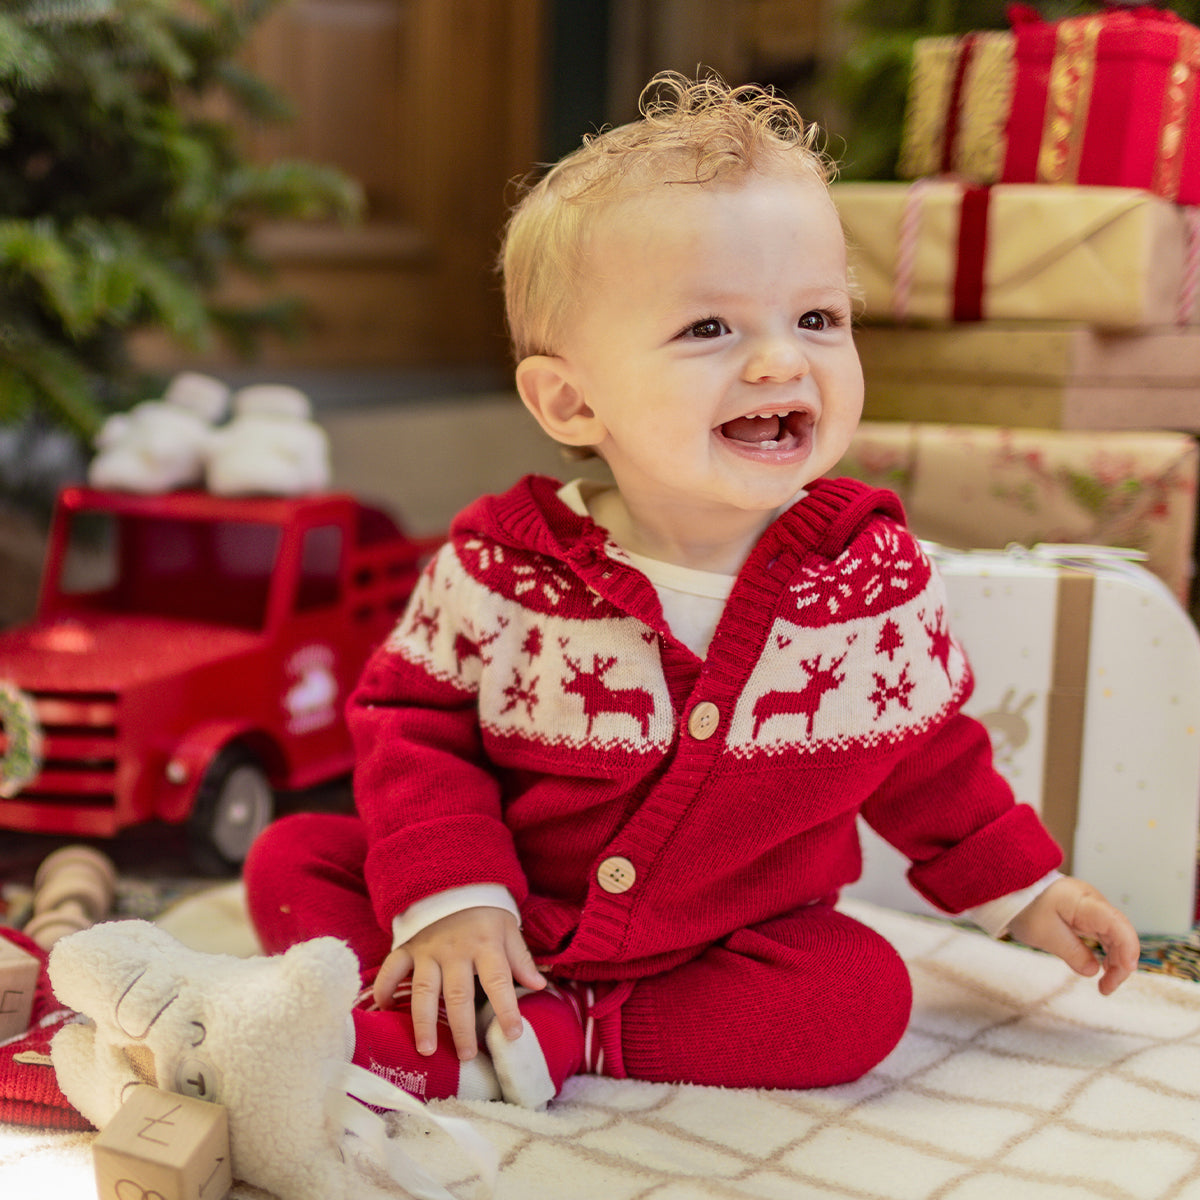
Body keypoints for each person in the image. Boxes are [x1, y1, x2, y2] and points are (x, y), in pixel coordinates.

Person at [244, 71, 1140, 1109]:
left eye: (817, 317)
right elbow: (411, 727)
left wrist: (1028, 892)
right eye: (710, 330)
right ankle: (438, 1000)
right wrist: (450, 896)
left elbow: (929, 761)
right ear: (572, 400)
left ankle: (570, 1031)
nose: (778, 361)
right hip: (509, 905)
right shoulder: (501, 566)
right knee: (295, 854)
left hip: (727, 945)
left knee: (862, 996)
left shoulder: (870, 577)